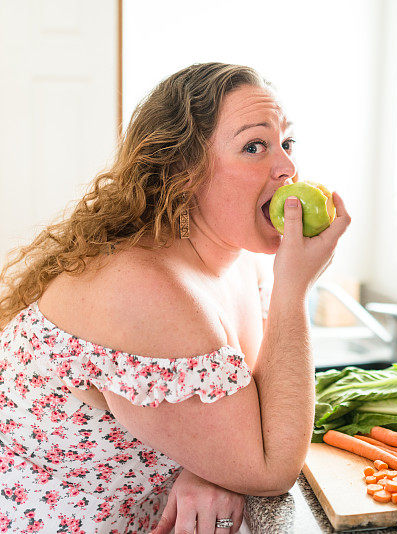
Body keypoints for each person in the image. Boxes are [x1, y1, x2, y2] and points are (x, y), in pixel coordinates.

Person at [0, 62, 350, 533]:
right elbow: (270, 469)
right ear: (185, 172)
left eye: (285, 143)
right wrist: (295, 288)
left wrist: (206, 461)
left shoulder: (237, 261)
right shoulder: (144, 287)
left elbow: (251, 410)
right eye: (254, 146)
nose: (287, 167)